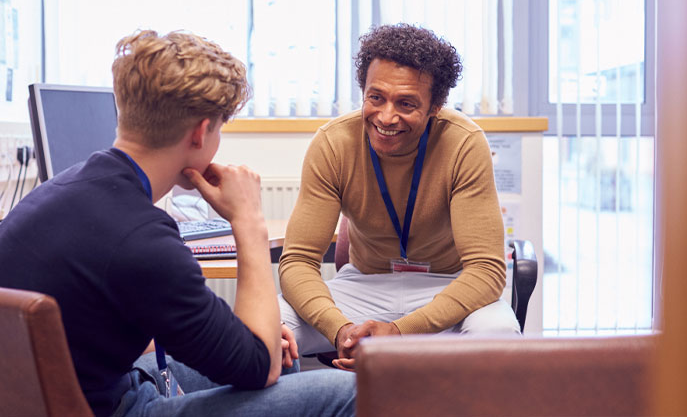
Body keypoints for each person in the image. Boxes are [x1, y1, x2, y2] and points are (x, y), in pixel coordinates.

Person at [0, 30, 355, 416]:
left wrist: (248, 341)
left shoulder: (62, 190)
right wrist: (248, 221)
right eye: (220, 129)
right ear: (201, 132)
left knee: (284, 355)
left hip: (87, 391)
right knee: (351, 389)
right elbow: (260, 367)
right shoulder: (143, 239)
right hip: (117, 407)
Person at [279, 24, 520, 371]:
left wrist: (400, 332)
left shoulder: (464, 143)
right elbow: (298, 262)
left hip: (446, 288)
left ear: (435, 106)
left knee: (498, 335)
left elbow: (486, 271)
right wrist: (341, 331)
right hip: (364, 287)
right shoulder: (333, 144)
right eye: (376, 97)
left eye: (406, 103)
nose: (386, 117)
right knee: (268, 326)